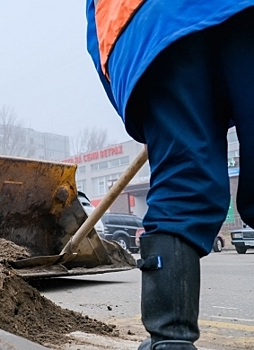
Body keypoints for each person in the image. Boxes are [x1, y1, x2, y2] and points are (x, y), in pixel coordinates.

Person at [86, 2, 254, 350]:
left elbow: (98, 36)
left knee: (182, 185)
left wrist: (142, 102)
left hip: (148, 34)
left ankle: (170, 342)